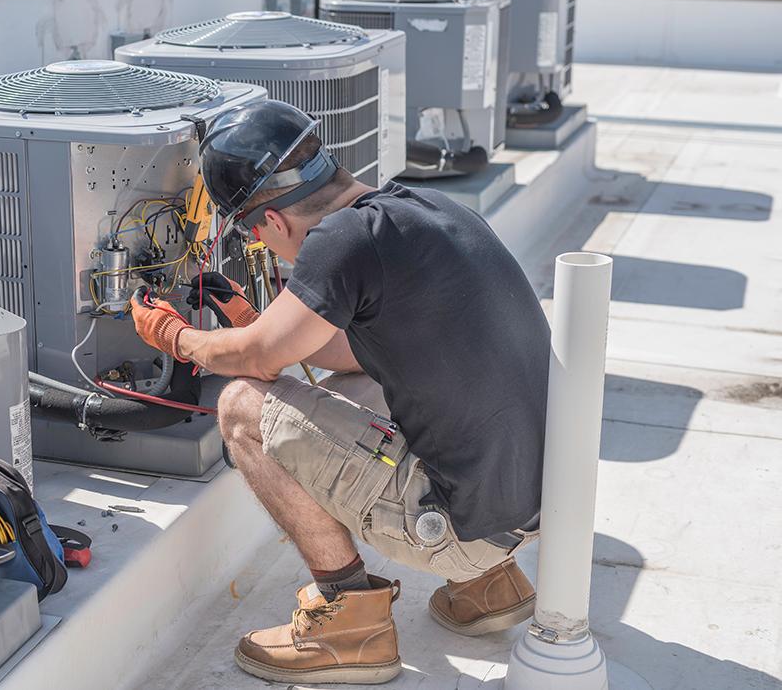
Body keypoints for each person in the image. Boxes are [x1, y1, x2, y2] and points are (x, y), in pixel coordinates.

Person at [129, 100, 549, 685]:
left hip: (461, 531)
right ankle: (488, 583)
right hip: (528, 514)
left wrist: (179, 337)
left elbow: (254, 363)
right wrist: (261, 327)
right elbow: (362, 351)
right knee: (355, 380)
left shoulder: (341, 242)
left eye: (253, 236)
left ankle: (350, 624)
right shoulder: (421, 208)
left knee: (245, 409)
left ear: (270, 223)